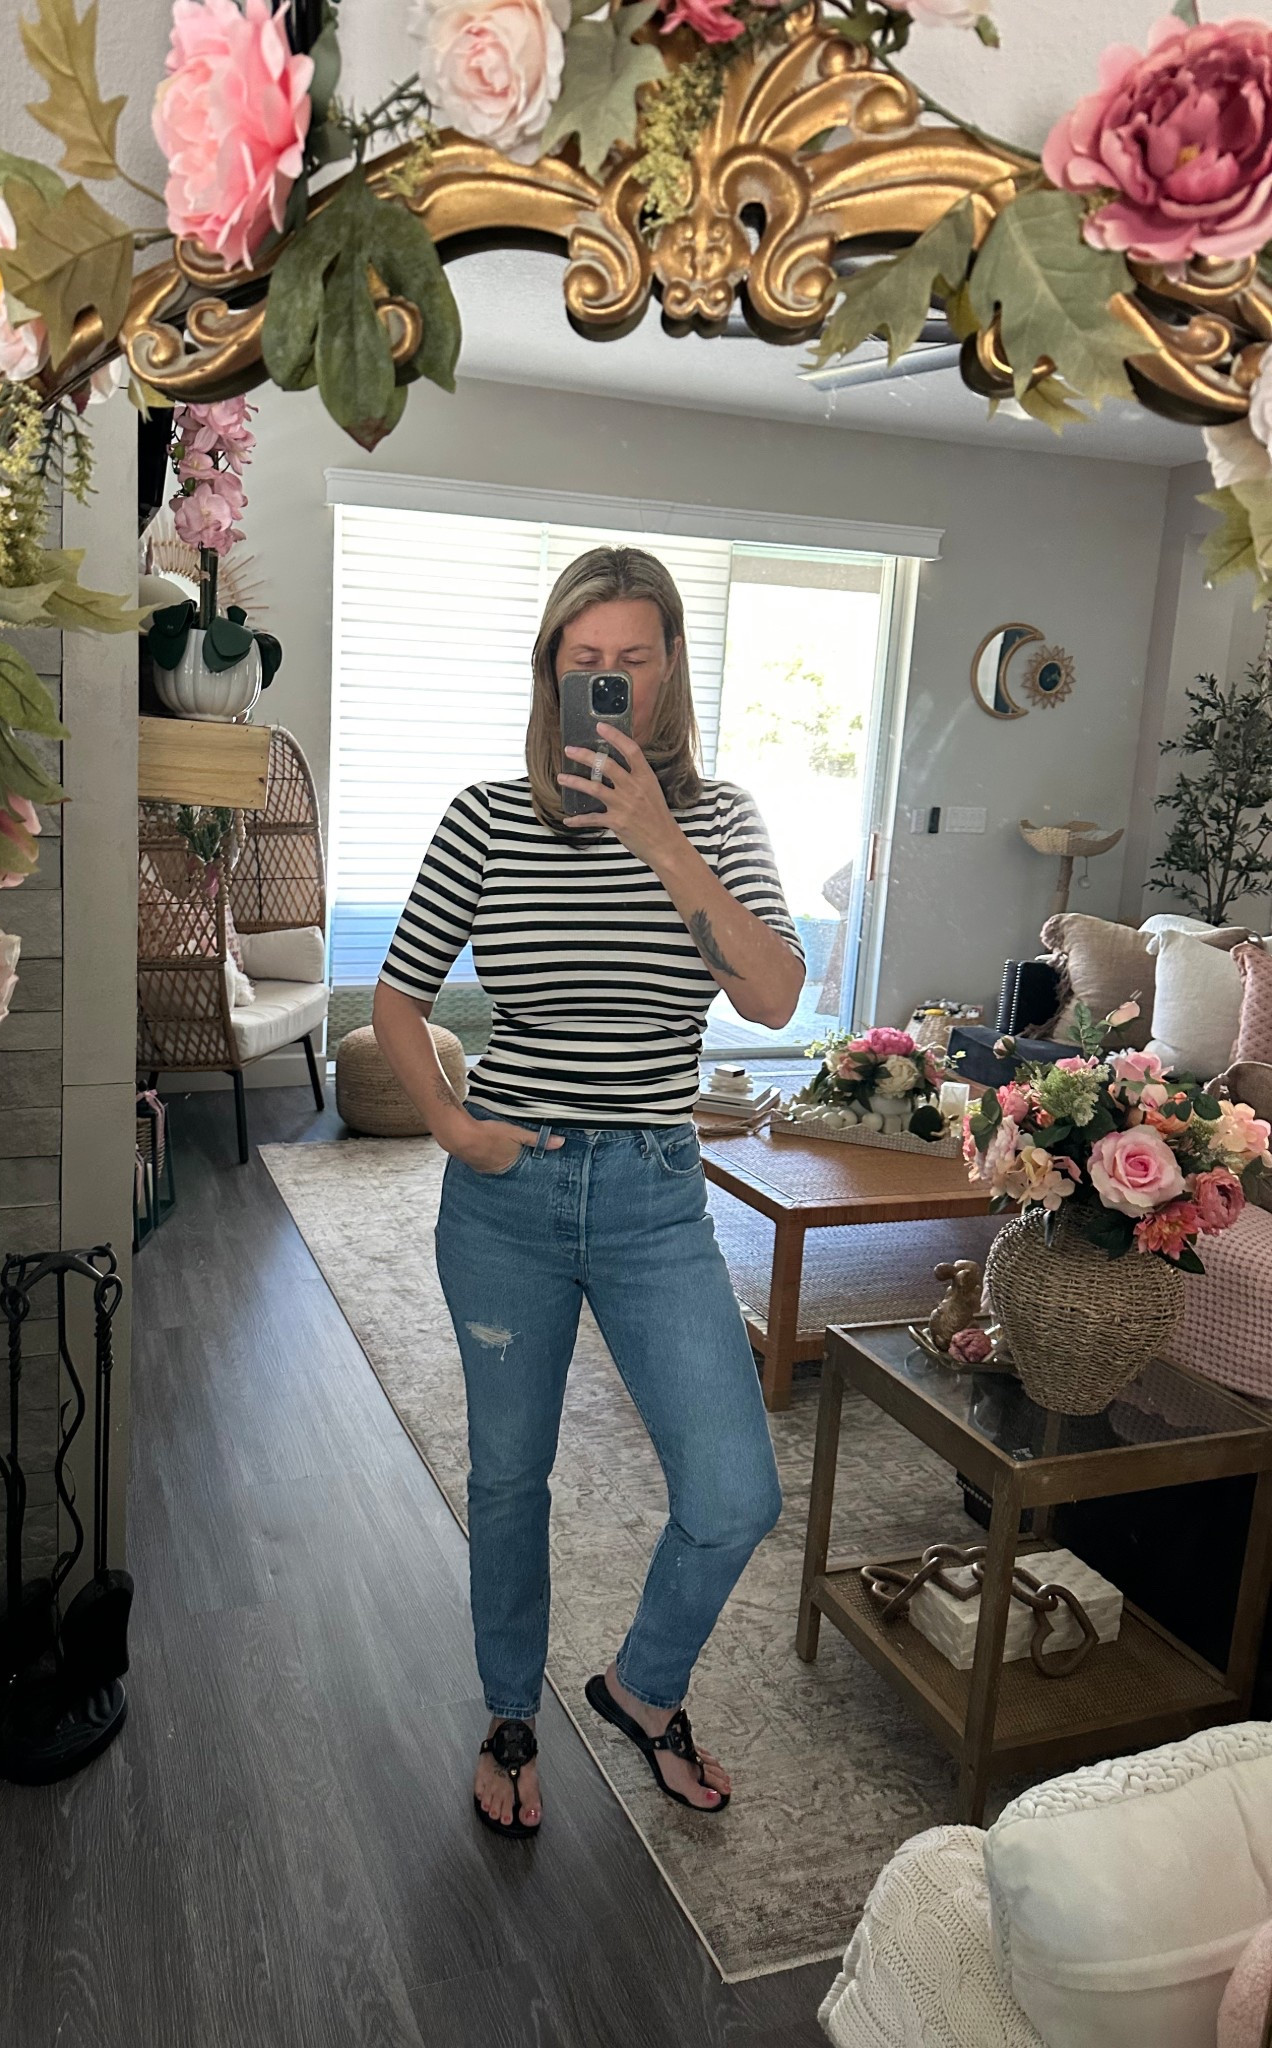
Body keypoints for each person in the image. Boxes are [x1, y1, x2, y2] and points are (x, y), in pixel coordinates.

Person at [372, 545, 805, 1840]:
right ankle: (511, 1711)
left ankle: (641, 1687)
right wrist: (453, 1125)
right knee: (510, 1478)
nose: (610, 683)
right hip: (509, 1192)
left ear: (671, 671)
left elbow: (774, 996)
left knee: (734, 1491)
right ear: (551, 674)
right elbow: (398, 996)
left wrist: (661, 839)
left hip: (658, 1196)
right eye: (585, 664)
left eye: (634, 660)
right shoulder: (484, 816)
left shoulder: (720, 822)